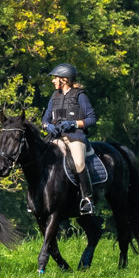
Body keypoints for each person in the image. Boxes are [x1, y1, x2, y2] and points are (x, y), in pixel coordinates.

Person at [41, 63, 97, 215]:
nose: (53, 80)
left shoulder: (80, 96)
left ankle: (88, 199)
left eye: (55, 78)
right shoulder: (54, 96)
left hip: (75, 137)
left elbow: (92, 119)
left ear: (64, 79)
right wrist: (47, 126)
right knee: (40, 158)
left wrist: (74, 123)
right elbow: (45, 119)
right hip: (56, 137)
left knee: (78, 162)